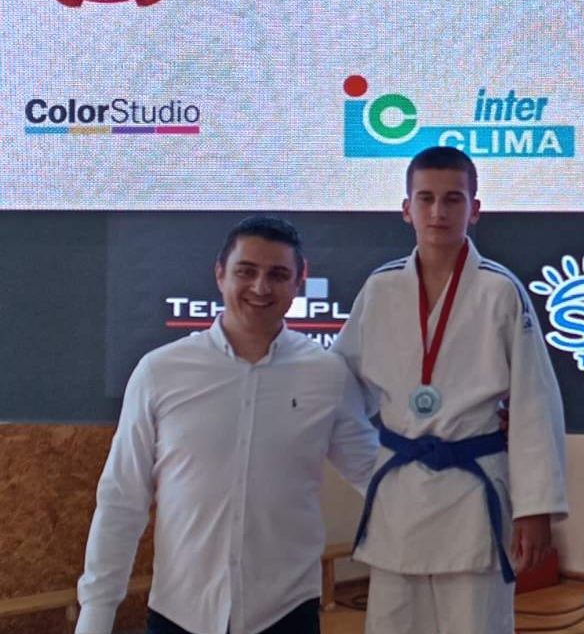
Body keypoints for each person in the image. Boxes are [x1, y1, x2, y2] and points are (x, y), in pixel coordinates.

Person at [76, 216, 379, 634]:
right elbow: (121, 499)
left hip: (286, 614)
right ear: (220, 273)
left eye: (278, 275)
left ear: (300, 280)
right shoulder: (160, 371)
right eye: (246, 271)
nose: (260, 287)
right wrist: (95, 616)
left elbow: (376, 478)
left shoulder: (327, 375)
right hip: (180, 614)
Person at [334, 146, 568, 634]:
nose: (438, 211)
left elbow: (535, 402)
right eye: (426, 198)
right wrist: (366, 465)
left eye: (453, 199)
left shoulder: (500, 290)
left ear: (474, 209)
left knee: (476, 621)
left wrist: (536, 507)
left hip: (471, 490)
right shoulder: (380, 289)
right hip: (400, 490)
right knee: (393, 622)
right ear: (406, 209)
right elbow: (339, 387)